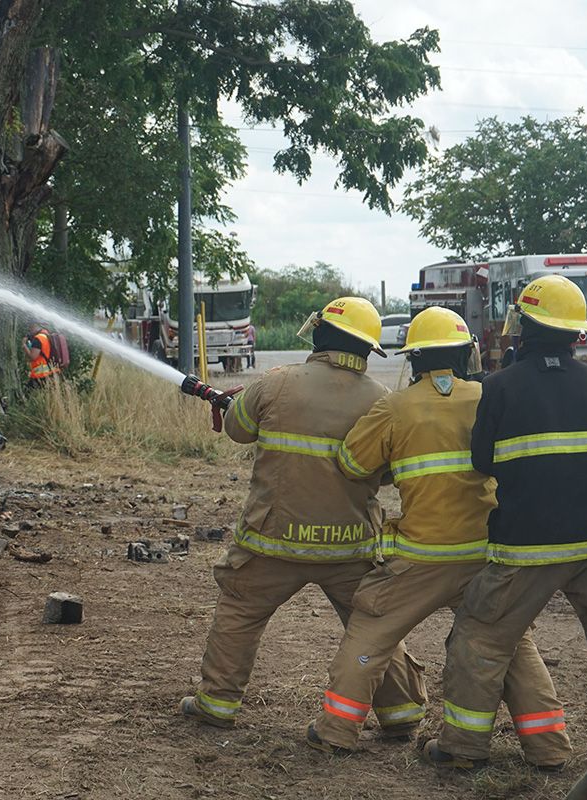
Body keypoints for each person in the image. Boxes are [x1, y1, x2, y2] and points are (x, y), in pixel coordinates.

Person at [424, 275, 587, 789]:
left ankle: (463, 748)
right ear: (575, 334)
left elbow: (483, 459)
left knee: (481, 638)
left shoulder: (501, 387)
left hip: (527, 547)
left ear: (525, 328)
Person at [306, 307, 571, 769]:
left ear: (415, 359)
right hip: (488, 554)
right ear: (466, 353)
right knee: (510, 644)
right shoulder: (489, 396)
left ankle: (335, 730)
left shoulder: (395, 406)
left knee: (370, 631)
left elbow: (352, 466)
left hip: (420, 557)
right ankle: (548, 746)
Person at [179, 297, 425, 732]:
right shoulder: (383, 400)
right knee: (372, 625)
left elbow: (237, 430)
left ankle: (217, 703)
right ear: (368, 348)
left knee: (239, 611)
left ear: (319, 334)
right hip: (348, 547)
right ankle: (402, 712)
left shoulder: (276, 383)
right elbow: (386, 474)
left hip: (272, 541)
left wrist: (237, 405)